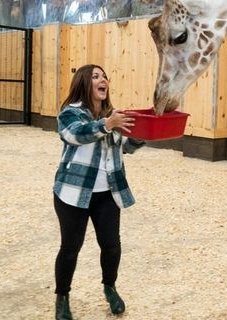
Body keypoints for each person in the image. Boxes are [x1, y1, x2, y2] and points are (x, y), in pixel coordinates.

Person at [52, 64, 145, 320]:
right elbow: (76, 135)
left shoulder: (112, 115)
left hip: (107, 194)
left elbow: (125, 146)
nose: (103, 80)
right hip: (73, 194)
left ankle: (109, 287)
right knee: (71, 247)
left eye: (104, 77)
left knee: (112, 246)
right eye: (96, 76)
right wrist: (107, 124)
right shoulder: (70, 114)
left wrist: (145, 133)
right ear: (84, 82)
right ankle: (62, 298)